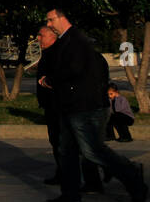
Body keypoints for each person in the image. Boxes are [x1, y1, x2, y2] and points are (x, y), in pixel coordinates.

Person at [41, 7, 147, 202]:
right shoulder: (68, 40)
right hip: (70, 106)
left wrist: (50, 80)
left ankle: (134, 177)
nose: (48, 24)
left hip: (84, 107)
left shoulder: (76, 41)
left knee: (93, 151)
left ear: (62, 18)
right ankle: (70, 195)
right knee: (67, 151)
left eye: (50, 20)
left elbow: (74, 70)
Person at [35, 25, 102, 192]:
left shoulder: (66, 56)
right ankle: (65, 177)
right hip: (53, 106)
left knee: (83, 148)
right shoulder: (49, 55)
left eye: (41, 35)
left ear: (53, 37)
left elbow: (69, 79)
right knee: (59, 144)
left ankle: (95, 180)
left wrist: (48, 82)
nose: (37, 39)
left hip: (71, 107)